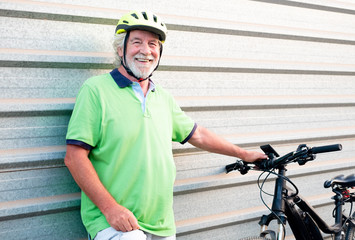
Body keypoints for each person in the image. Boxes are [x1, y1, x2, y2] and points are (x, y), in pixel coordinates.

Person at [64, 10, 267, 240]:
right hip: (114, 222)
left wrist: (244, 153)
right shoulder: (96, 90)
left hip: (161, 224)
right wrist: (110, 209)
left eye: (153, 44)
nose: (146, 50)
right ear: (120, 49)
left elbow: (198, 134)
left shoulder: (162, 97)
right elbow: (74, 158)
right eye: (137, 42)